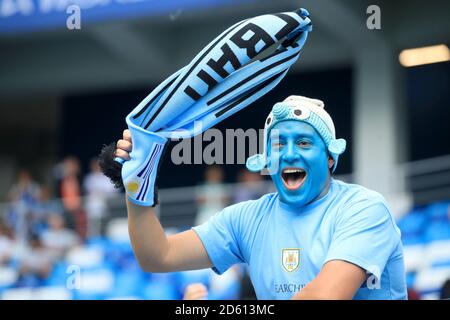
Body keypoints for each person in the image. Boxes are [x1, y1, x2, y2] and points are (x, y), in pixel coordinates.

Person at [110, 95, 407, 300]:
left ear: (330, 157)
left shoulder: (364, 208)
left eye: (303, 142)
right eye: (279, 143)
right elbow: (157, 256)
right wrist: (138, 188)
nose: (289, 152)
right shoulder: (247, 218)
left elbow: (325, 295)